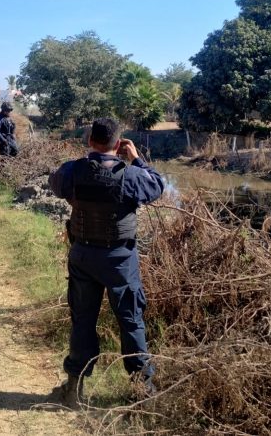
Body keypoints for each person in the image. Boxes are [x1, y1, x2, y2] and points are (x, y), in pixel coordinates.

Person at [48, 117, 164, 408]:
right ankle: (142, 393)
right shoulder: (132, 175)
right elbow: (158, 186)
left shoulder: (72, 171)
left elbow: (55, 183)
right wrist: (137, 159)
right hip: (119, 260)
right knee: (131, 321)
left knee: (82, 320)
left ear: (90, 141)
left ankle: (74, 390)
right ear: (119, 144)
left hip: (83, 257)